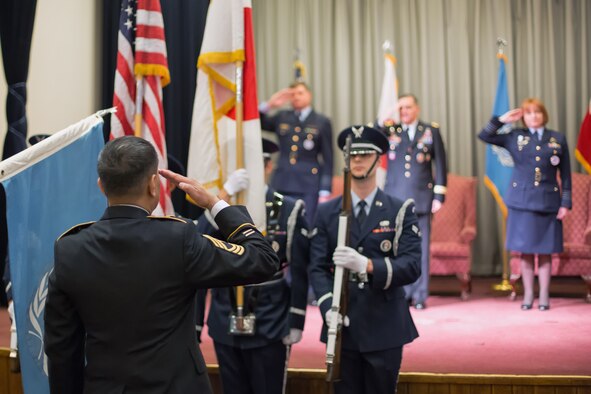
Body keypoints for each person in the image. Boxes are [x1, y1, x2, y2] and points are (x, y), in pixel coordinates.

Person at [43, 136, 280, 394]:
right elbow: (263, 259)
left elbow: (61, 349)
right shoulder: (178, 239)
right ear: (154, 184)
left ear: (101, 186)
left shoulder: (70, 248)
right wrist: (214, 203)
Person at [309, 125, 422, 394]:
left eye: (365, 155)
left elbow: (412, 265)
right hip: (342, 325)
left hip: (383, 324)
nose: (357, 160)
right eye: (352, 156)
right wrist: (329, 309)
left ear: (378, 159)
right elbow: (317, 267)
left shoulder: (399, 210)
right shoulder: (327, 212)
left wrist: (368, 266)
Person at [195, 138, 309, 394]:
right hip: (225, 313)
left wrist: (296, 319)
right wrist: (222, 197)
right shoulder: (221, 208)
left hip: (270, 316)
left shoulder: (288, 209)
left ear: (269, 167)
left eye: (260, 165)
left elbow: (300, 270)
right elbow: (197, 240)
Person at [478, 98, 571, 311]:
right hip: (521, 202)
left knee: (546, 252)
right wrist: (502, 120)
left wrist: (565, 203)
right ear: (524, 117)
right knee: (526, 252)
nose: (533, 116)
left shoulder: (557, 138)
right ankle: (528, 295)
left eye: (537, 112)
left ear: (544, 115)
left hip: (548, 202)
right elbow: (484, 135)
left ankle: (544, 296)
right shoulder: (515, 136)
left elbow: (565, 175)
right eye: (529, 113)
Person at [381, 94, 447, 309]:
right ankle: (403, 292)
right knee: (397, 248)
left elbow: (441, 164)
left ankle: (420, 294)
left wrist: (439, 195)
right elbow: (372, 133)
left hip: (421, 199)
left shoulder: (430, 130)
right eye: (401, 109)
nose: (405, 112)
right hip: (395, 198)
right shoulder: (390, 131)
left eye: (408, 107)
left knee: (421, 248)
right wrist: (389, 112)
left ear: (417, 108)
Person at [260, 81, 333, 225]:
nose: (296, 97)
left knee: (305, 225)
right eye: (292, 94)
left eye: (300, 93)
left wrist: (325, 189)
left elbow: (328, 158)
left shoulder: (321, 121)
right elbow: (257, 122)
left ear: (309, 95)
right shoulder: (282, 117)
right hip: (281, 181)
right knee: (275, 224)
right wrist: (269, 105)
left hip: (308, 184)